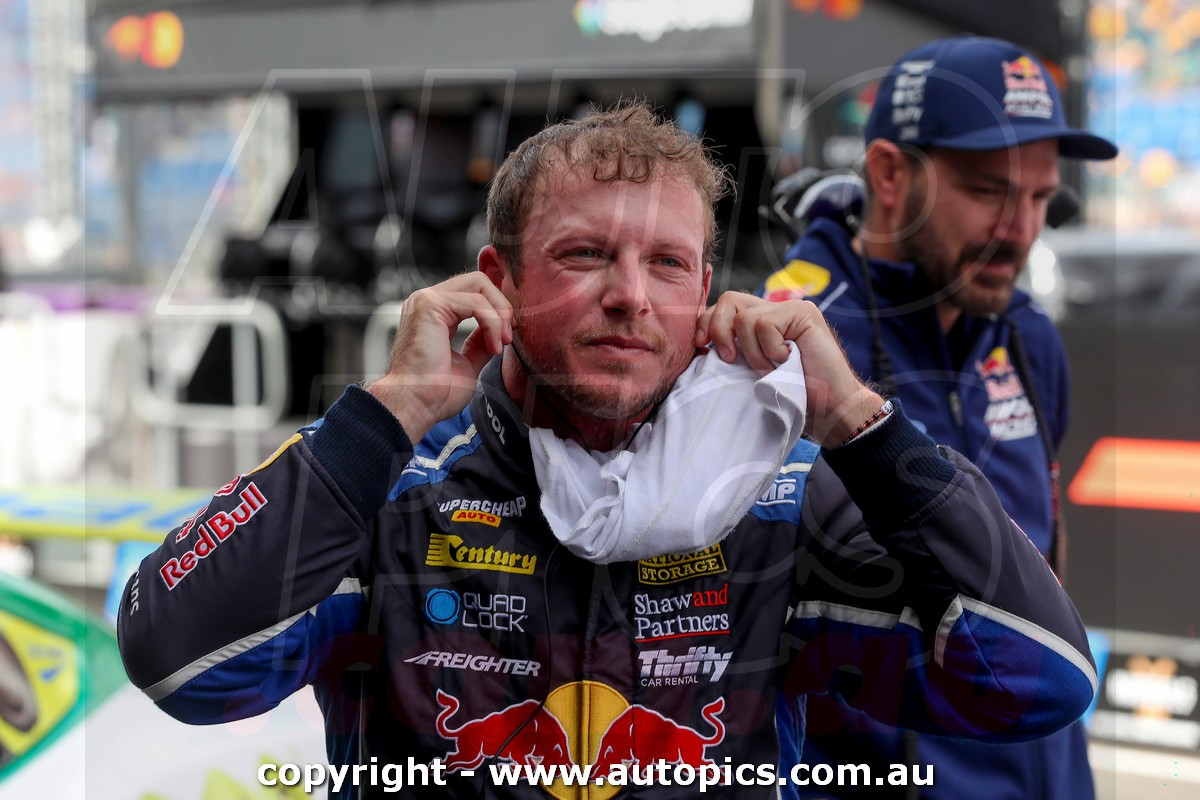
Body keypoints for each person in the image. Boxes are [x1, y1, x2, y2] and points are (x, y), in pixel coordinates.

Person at [119, 103, 1097, 799]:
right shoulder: (392, 485)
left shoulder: (781, 498)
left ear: (706, 289)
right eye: (587, 255)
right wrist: (389, 409)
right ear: (496, 277)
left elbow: (1040, 678)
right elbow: (179, 662)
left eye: (667, 262)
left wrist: (859, 423)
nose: (631, 294)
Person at [758, 36, 1118, 800]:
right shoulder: (792, 341)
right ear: (889, 173)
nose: (1020, 229)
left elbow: (1043, 562)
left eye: (1040, 198)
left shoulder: (1029, 336)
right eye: (990, 190)